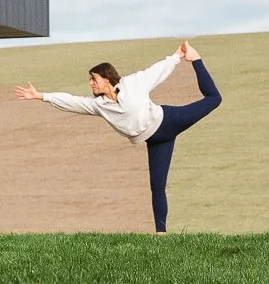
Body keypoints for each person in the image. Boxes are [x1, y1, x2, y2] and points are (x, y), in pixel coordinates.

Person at [14, 40, 222, 233]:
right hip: (156, 140)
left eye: (94, 78)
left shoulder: (132, 83)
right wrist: (40, 96)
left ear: (106, 78)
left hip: (169, 120)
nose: (91, 83)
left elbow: (156, 71)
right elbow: (72, 102)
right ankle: (161, 234)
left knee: (214, 99)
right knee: (157, 186)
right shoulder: (99, 105)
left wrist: (177, 56)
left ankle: (196, 58)